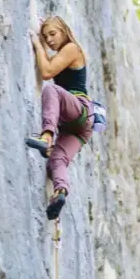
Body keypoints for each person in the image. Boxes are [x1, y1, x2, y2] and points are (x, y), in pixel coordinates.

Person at [25, 15, 94, 220]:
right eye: (46, 37)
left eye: (53, 34)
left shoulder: (72, 48)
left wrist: (37, 44)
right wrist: (43, 41)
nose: (50, 40)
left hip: (79, 109)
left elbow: (46, 72)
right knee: (57, 161)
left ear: (64, 31)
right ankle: (60, 193)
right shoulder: (62, 53)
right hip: (80, 128)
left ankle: (46, 136)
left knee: (51, 90)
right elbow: (50, 63)